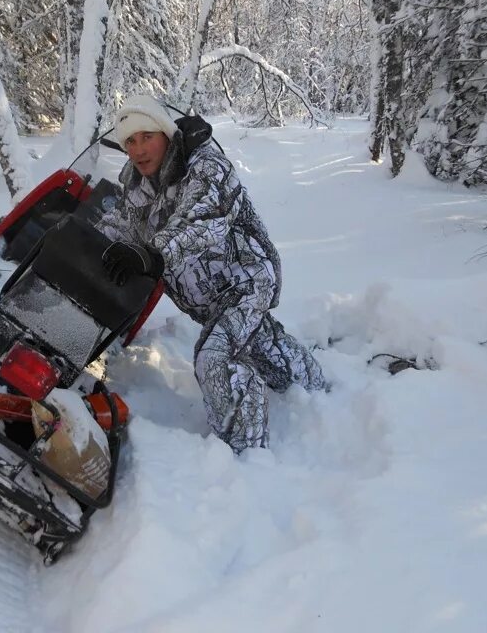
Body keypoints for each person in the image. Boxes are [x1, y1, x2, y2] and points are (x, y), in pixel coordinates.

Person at [97, 95, 326, 453]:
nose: (138, 149)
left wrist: (154, 255)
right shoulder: (138, 187)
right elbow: (124, 227)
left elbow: (206, 220)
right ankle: (317, 388)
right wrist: (77, 233)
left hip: (247, 281)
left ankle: (247, 454)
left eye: (147, 136)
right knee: (263, 346)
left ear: (166, 134)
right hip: (208, 299)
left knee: (215, 357)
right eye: (130, 141)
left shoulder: (204, 165)